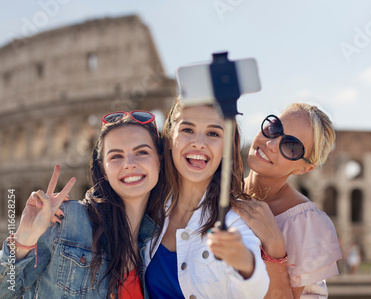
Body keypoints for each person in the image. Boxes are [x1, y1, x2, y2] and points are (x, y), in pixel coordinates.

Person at [0, 111, 167, 298]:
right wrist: (23, 241)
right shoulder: (64, 222)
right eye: (116, 156)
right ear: (103, 169)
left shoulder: (159, 241)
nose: (129, 164)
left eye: (141, 152)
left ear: (159, 160)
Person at [144, 100, 269, 299]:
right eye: (187, 130)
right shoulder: (147, 209)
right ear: (168, 139)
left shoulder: (234, 220)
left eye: (213, 133)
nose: (199, 143)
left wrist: (245, 263)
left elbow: (255, 289)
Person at [234, 103, 342, 298]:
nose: (271, 143)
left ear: (304, 168)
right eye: (274, 128)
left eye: (291, 146)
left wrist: (274, 247)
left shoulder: (306, 224)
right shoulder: (220, 193)